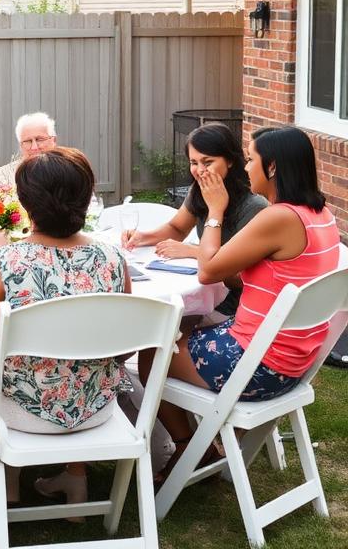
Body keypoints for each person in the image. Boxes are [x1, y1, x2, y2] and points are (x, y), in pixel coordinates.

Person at [139, 126, 340, 482]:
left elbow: (208, 272)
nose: (247, 169)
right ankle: (203, 442)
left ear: (273, 168)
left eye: (251, 160)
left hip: (259, 364)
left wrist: (216, 211)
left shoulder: (278, 217)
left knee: (152, 349)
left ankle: (189, 449)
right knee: (180, 328)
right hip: (294, 362)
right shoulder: (321, 215)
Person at [0, 147, 131, 508]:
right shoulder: (113, 258)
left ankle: (7, 482)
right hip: (95, 405)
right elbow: (125, 349)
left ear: (25, 202)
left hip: (22, 412)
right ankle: (76, 478)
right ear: (87, 196)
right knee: (76, 359)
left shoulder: (5, 260)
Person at [122, 122, 268, 321]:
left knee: (158, 322)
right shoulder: (200, 190)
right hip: (202, 289)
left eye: (207, 162)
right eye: (194, 163)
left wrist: (193, 251)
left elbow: (242, 278)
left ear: (230, 161)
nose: (200, 171)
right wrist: (143, 237)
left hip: (231, 306)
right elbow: (177, 228)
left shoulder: (254, 206)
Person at [0, 111, 57, 187]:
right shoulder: (4, 175)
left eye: (40, 139)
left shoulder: (68, 171)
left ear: (53, 140)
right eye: (28, 141)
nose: (34, 147)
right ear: (21, 145)